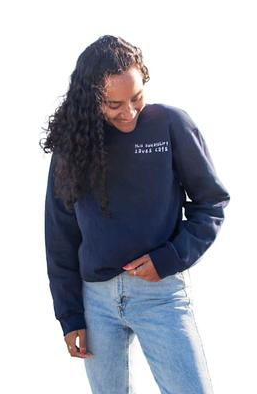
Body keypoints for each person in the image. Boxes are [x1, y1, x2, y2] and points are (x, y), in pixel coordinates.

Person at [40, 34, 230, 394]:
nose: (128, 112)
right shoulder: (72, 147)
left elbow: (211, 202)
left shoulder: (171, 125)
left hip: (161, 295)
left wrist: (170, 258)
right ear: (91, 98)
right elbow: (59, 235)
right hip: (95, 303)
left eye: (136, 98)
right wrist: (69, 315)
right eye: (114, 104)